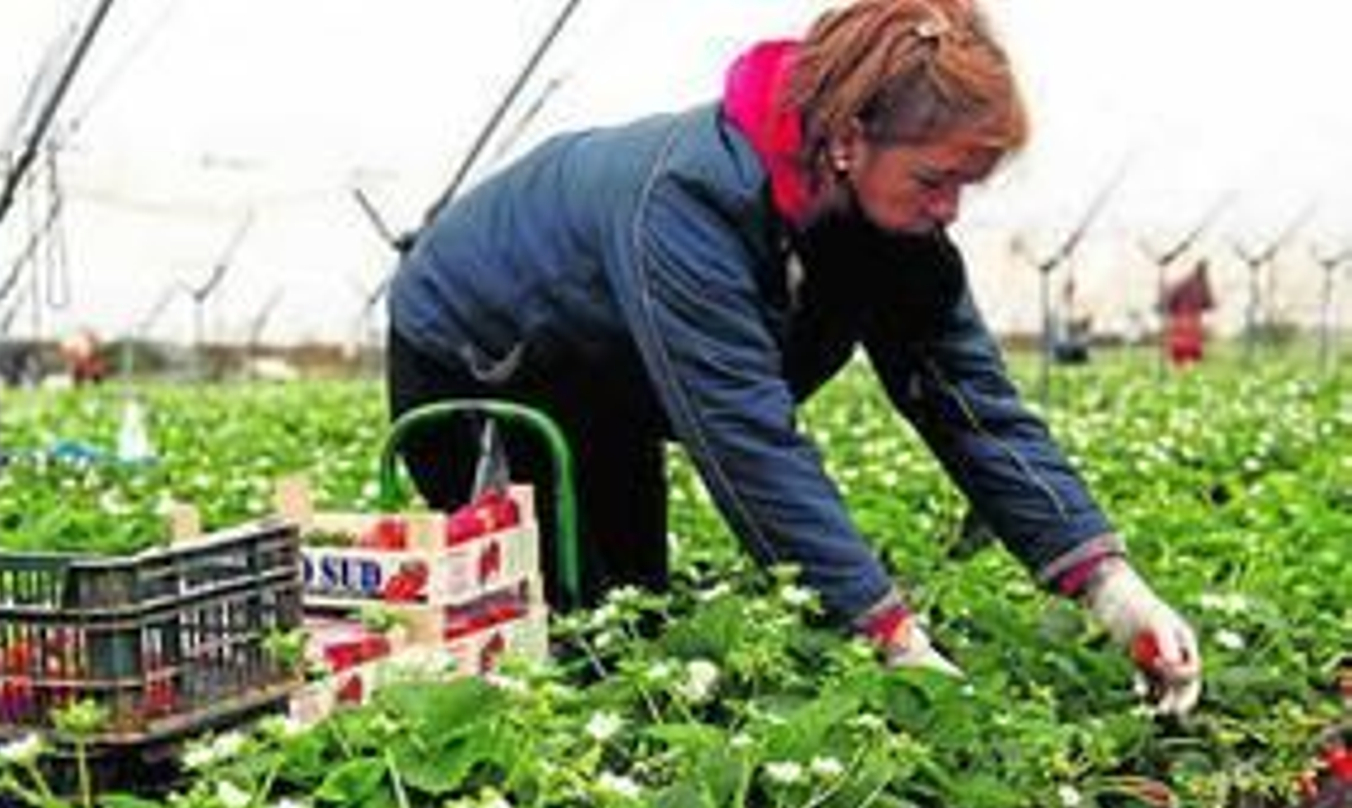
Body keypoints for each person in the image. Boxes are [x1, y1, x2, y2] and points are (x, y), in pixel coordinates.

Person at [385, 0, 1201, 713]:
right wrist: (888, 632)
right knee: (560, 630)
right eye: (935, 179)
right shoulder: (688, 200)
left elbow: (970, 403)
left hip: (612, 384)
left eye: (967, 186)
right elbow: (747, 436)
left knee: (632, 619)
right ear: (849, 139)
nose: (948, 209)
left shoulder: (892, 227)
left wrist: (1110, 585)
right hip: (481, 365)